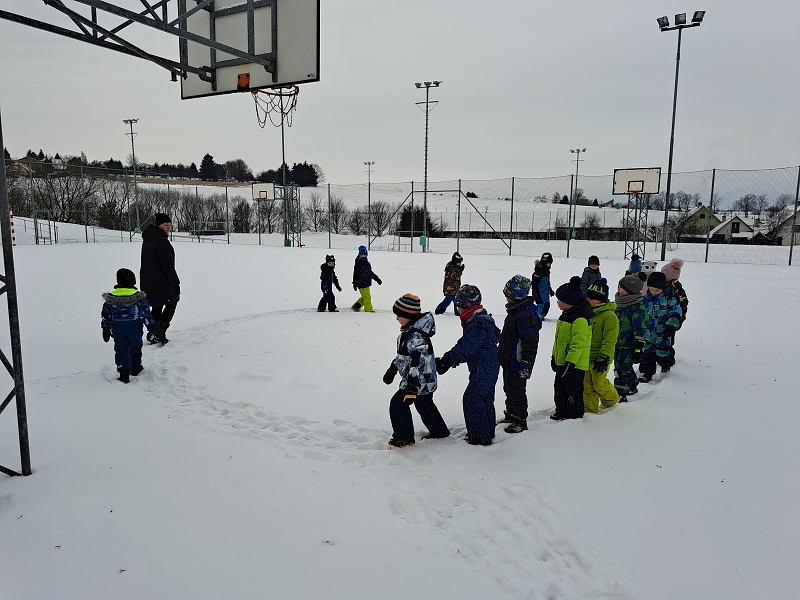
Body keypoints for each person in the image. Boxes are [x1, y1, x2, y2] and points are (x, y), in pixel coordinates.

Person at [436, 285, 501, 445]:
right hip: (488, 365)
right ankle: (487, 432)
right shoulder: (480, 318)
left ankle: (480, 438)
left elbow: (465, 347)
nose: (457, 309)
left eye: (458, 305)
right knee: (484, 398)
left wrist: (447, 361)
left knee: (473, 399)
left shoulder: (478, 323)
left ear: (466, 305)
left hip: (483, 367)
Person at [383, 294, 449, 448]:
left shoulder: (416, 336)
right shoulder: (408, 334)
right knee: (425, 406)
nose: (397, 318)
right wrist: (393, 368)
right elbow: (404, 357)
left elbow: (419, 360)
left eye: (399, 315)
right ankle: (439, 432)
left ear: (409, 315)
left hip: (417, 381)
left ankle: (404, 437)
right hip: (423, 380)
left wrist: (412, 383)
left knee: (398, 404)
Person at [497, 275, 541, 433]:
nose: (505, 297)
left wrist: (526, 364)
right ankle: (510, 414)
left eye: (507, 294)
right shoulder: (515, 310)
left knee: (517, 391)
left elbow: (530, 344)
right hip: (508, 361)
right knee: (509, 389)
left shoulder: (526, 315)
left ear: (516, 295)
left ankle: (520, 420)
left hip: (519, 363)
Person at [102, 268, 156, 383]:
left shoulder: (110, 299)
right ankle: (135, 367)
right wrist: (151, 329)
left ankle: (123, 373)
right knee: (135, 347)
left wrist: (105, 328)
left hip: (118, 330)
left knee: (121, 349)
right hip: (135, 329)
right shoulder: (139, 298)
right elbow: (146, 315)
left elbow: (106, 315)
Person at [550, 276, 592, 420]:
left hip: (574, 365)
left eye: (560, 300)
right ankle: (561, 411)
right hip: (562, 362)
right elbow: (558, 341)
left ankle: (574, 416)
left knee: (573, 390)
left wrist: (571, 362)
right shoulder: (564, 316)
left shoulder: (580, 320)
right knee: (559, 388)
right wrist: (554, 357)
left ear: (569, 302)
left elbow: (578, 344)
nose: (557, 302)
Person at [140, 213, 180, 344]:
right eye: (165, 225)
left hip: (148, 280)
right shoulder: (161, 241)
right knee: (172, 301)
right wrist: (175, 283)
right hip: (162, 280)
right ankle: (159, 333)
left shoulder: (148, 239)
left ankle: (153, 332)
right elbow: (167, 265)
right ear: (158, 225)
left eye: (170, 225)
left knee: (157, 305)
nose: (168, 227)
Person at [638, 271, 682, 384]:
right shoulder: (645, 298)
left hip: (663, 333)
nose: (653, 292)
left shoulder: (669, 299)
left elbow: (676, 312)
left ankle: (666, 366)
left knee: (662, 352)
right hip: (648, 334)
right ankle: (647, 373)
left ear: (663, 288)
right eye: (651, 289)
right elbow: (640, 313)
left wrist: (671, 327)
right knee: (646, 354)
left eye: (657, 290)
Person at [583, 279, 620, 413]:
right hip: (586, 356)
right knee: (587, 385)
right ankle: (589, 409)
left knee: (598, 383)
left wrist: (604, 357)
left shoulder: (609, 316)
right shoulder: (586, 313)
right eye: (587, 297)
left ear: (601, 299)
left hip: (601, 358)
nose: (588, 300)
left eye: (592, 298)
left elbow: (610, 340)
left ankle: (611, 399)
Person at [613, 275, 648, 402]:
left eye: (622, 288)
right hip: (616, 342)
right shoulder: (618, 304)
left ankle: (621, 393)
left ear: (631, 291)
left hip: (630, 344)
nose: (618, 289)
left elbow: (640, 328)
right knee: (621, 366)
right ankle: (632, 384)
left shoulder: (637, 308)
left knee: (622, 367)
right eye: (618, 286)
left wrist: (639, 345)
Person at [351, 245, 382, 312]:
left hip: (367, 283)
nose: (363, 256)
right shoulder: (358, 264)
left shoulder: (367, 263)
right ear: (359, 255)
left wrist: (377, 279)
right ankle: (369, 310)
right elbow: (355, 274)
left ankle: (356, 306)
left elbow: (370, 272)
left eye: (365, 254)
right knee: (367, 297)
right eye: (362, 254)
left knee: (364, 296)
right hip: (361, 284)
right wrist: (355, 283)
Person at [530, 252, 554, 318]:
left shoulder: (546, 271)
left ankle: (536, 316)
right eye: (548, 263)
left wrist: (550, 290)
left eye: (550, 263)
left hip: (545, 292)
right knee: (544, 305)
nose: (549, 265)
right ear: (544, 263)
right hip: (540, 292)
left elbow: (547, 282)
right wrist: (534, 291)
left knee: (545, 305)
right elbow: (534, 282)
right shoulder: (539, 272)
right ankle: (537, 317)